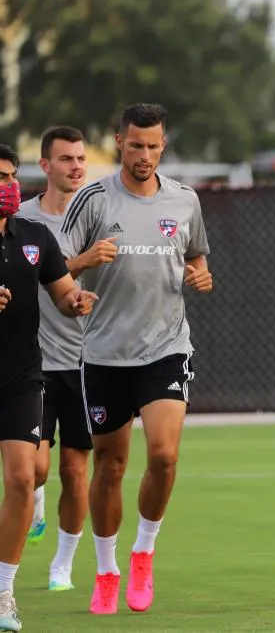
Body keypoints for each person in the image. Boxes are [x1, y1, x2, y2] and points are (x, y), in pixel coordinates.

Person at [58, 104, 214, 615]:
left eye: (153, 145)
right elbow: (57, 267)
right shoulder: (94, 200)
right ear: (119, 142)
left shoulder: (185, 200)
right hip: (104, 352)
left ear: (162, 146)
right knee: (110, 465)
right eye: (135, 144)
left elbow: (195, 254)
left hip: (166, 347)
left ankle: (143, 552)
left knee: (165, 456)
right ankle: (106, 570)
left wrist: (200, 273)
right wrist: (83, 267)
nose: (144, 154)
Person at [0, 143, 97, 631]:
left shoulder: (34, 236)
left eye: (11, 176)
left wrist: (77, 302)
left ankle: (3, 592)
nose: (8, 186)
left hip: (21, 377)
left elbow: (62, 295)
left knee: (21, 479)